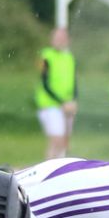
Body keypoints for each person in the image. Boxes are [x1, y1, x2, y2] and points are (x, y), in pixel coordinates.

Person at [35, 26, 78, 158]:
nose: (60, 41)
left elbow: (74, 81)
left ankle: (59, 171)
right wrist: (61, 102)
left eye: (63, 38)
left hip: (68, 105)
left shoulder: (69, 57)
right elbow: (45, 83)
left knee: (65, 143)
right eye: (57, 38)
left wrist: (74, 100)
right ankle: (48, 172)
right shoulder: (45, 56)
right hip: (50, 105)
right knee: (56, 141)